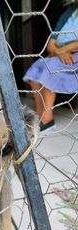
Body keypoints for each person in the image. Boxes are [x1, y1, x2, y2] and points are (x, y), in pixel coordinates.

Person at [23, 2, 78, 132]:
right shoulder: (70, 11)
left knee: (50, 68)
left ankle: (47, 119)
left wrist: (63, 50)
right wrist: (59, 52)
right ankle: (40, 113)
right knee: (36, 67)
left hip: (73, 55)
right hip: (59, 53)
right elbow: (51, 43)